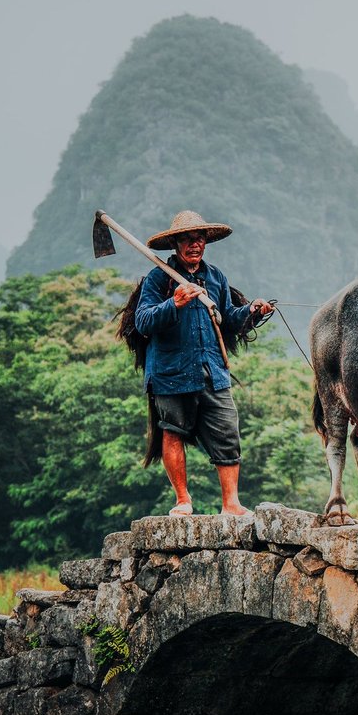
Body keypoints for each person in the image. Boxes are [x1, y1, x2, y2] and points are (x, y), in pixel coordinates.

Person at [132, 210, 274, 518]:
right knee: (172, 432)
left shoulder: (216, 277)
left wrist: (252, 311)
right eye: (186, 239)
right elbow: (142, 322)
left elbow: (228, 319)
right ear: (175, 244)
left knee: (227, 432)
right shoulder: (159, 279)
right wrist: (175, 303)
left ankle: (231, 504)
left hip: (212, 370)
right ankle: (183, 500)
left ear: (206, 242)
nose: (193, 245)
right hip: (171, 373)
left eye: (198, 239)